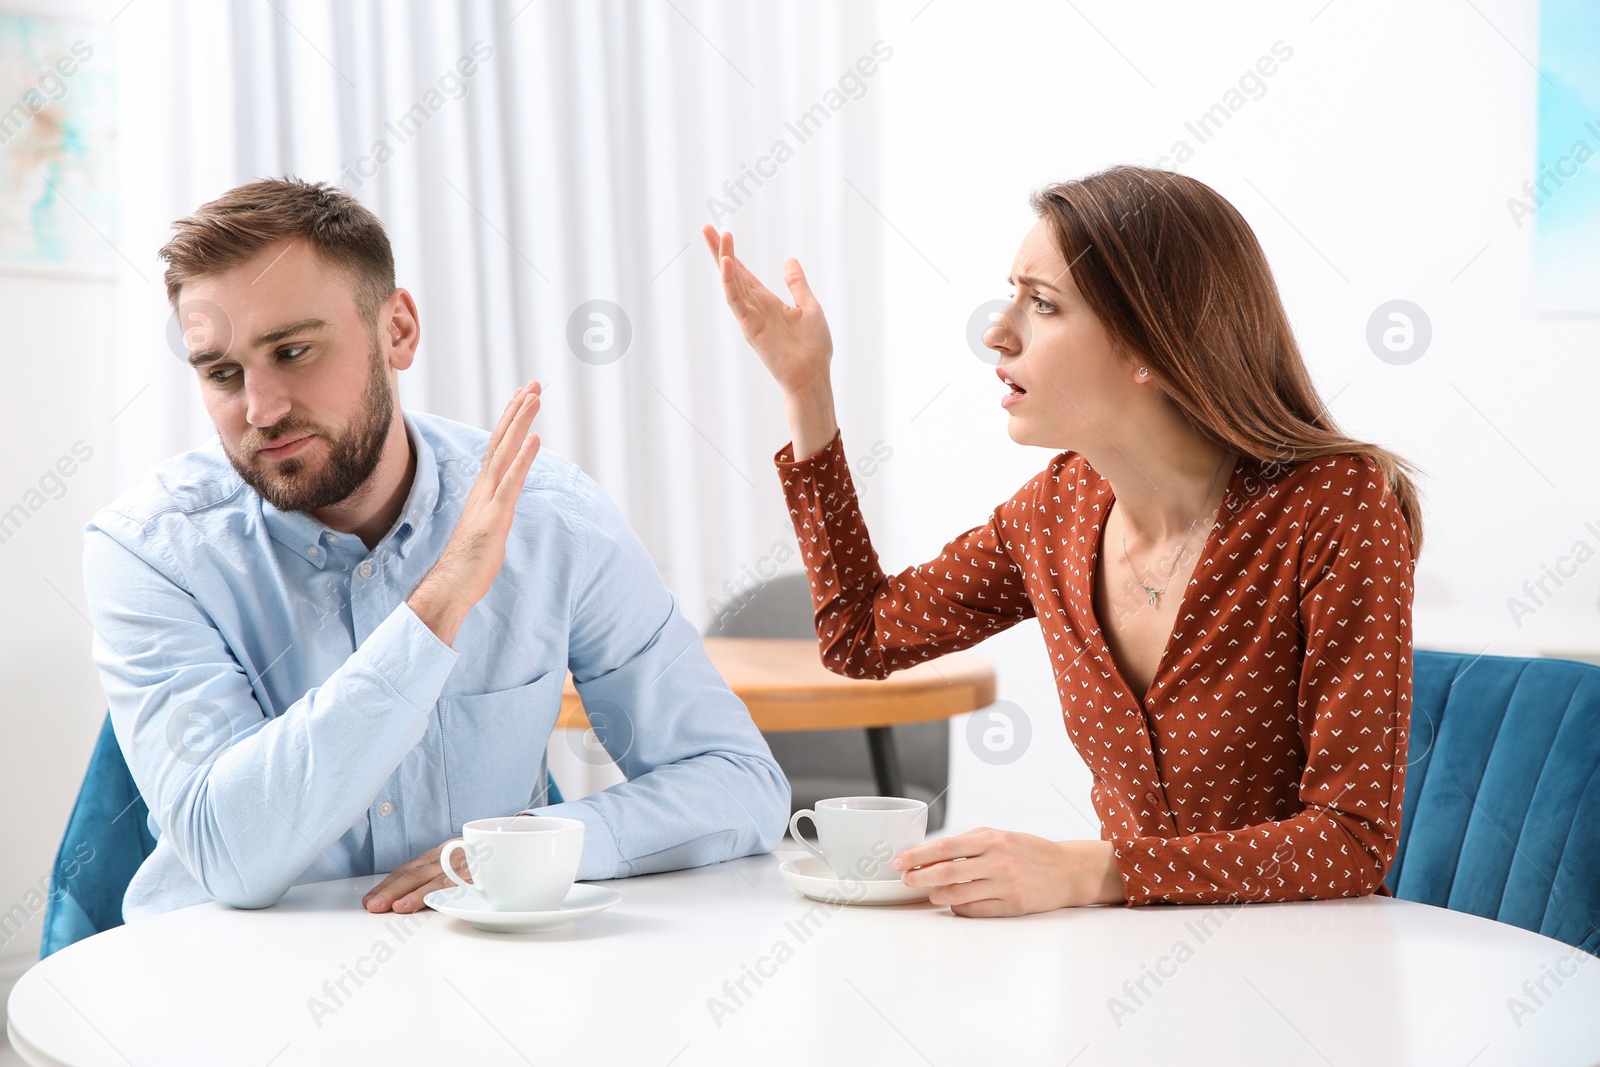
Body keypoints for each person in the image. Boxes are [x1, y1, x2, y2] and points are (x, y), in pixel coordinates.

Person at [704, 164, 1421, 916]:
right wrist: (806, 388)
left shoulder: (1336, 506)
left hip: (1315, 975)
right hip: (1131, 973)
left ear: (1151, 345)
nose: (996, 330)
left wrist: (1090, 871)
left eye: (1042, 304)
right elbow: (861, 636)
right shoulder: (1056, 511)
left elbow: (1352, 841)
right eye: (1010, 292)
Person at [85, 177, 788, 921]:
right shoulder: (149, 551)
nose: (260, 408)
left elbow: (739, 782)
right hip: (228, 995)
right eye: (222, 373)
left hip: (477, 981)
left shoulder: (551, 517)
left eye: (292, 350)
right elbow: (232, 857)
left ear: (398, 331)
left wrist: (539, 843)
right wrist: (438, 603)